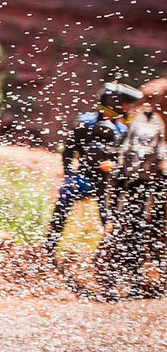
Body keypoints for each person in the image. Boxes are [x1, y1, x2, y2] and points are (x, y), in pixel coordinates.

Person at [44, 82, 143, 256]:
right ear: (114, 103)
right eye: (124, 104)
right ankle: (48, 250)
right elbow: (68, 152)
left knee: (112, 218)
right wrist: (69, 175)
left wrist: (116, 167)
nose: (127, 109)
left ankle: (113, 257)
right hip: (84, 177)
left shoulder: (122, 130)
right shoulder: (85, 123)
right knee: (64, 200)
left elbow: (126, 158)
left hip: (108, 184)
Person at [96, 101, 167, 296]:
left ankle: (117, 281)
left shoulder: (131, 134)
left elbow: (114, 185)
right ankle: (141, 282)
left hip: (129, 193)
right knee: (146, 237)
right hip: (147, 194)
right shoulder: (156, 130)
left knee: (125, 235)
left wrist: (112, 213)